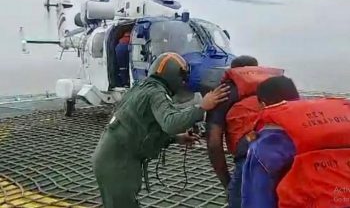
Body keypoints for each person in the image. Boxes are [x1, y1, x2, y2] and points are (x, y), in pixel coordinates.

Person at [92, 52, 230, 208]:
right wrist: (202, 107)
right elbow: (170, 123)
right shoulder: (156, 93)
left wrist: (176, 138)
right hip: (118, 163)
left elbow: (141, 127)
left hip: (111, 158)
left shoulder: (141, 88)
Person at [242, 76, 350, 208]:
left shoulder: (266, 143)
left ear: (263, 105)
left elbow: (258, 199)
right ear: (297, 97)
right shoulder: (343, 126)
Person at [206, 55, 284, 207]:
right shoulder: (278, 88)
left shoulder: (224, 92)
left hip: (251, 159)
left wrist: (228, 184)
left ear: (233, 72)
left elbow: (214, 144)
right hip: (288, 156)